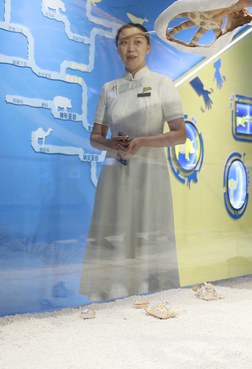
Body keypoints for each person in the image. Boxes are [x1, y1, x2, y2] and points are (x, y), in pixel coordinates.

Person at [78, 22, 187, 301]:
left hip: (151, 175)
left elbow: (180, 134)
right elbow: (95, 137)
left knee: (149, 228)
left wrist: (143, 142)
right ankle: (112, 297)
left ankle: (153, 298)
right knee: (115, 229)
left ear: (148, 47)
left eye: (137, 41)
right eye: (124, 42)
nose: (130, 48)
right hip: (116, 174)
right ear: (117, 49)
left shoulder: (163, 84)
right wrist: (111, 143)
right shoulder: (109, 89)